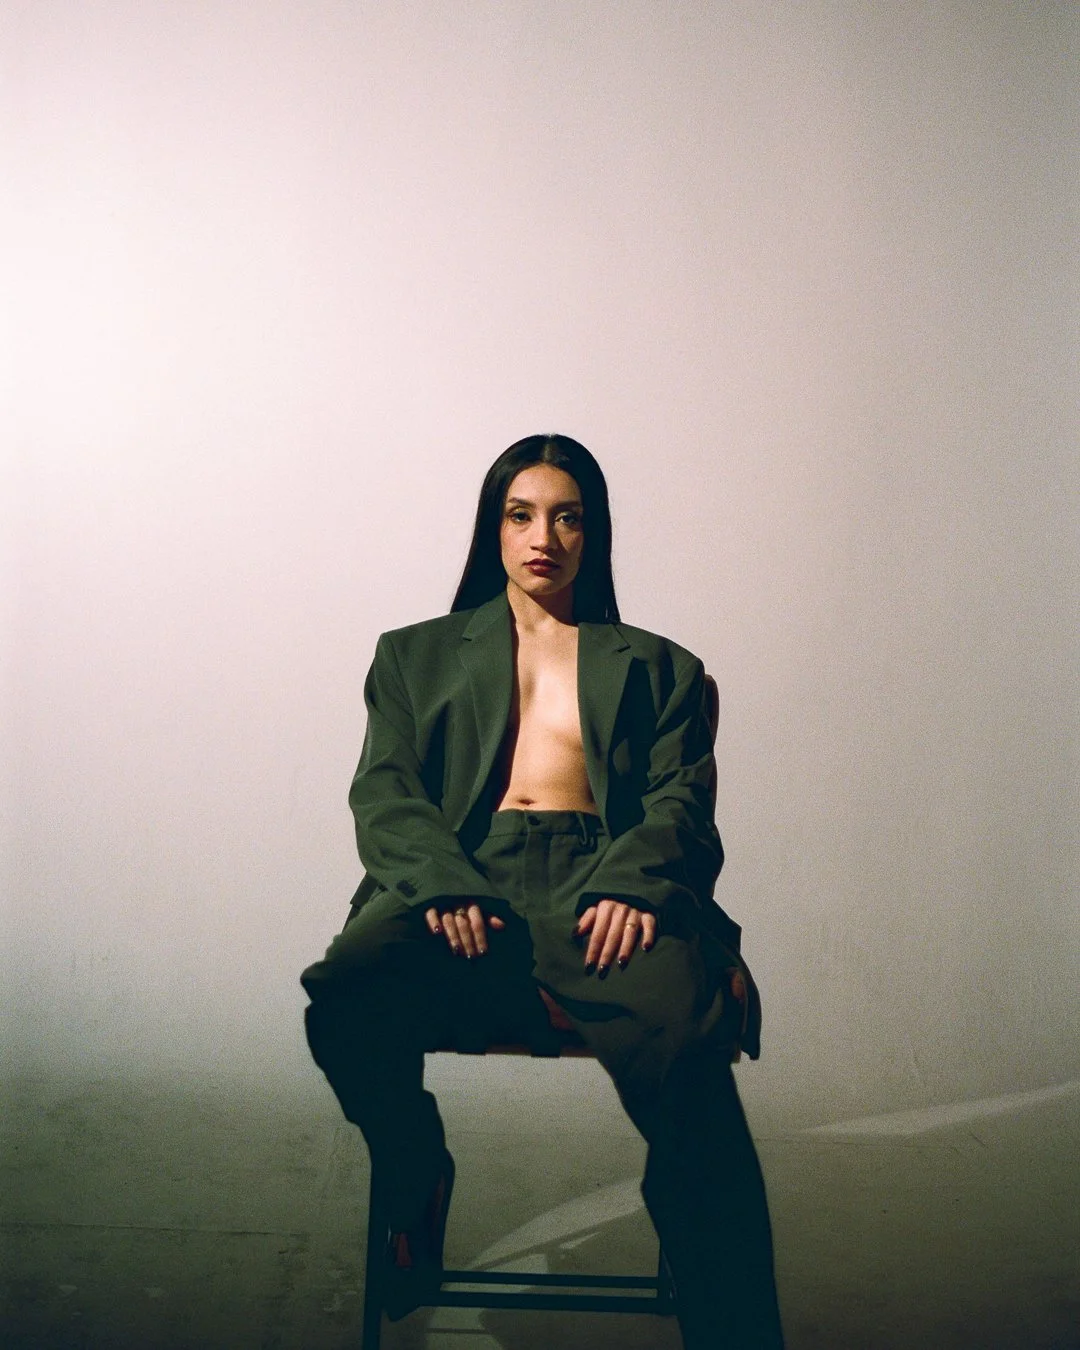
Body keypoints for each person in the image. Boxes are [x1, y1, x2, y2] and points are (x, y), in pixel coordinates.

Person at [300, 434, 784, 1349]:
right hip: (462, 880)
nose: (543, 537)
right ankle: (418, 1176)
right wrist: (442, 880)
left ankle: (722, 1304)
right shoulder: (413, 656)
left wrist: (636, 886)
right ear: (493, 528)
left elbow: (684, 801)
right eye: (521, 514)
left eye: (567, 516)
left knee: (688, 1048)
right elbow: (387, 790)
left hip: (600, 886)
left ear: (594, 533)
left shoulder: (657, 665)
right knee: (346, 996)